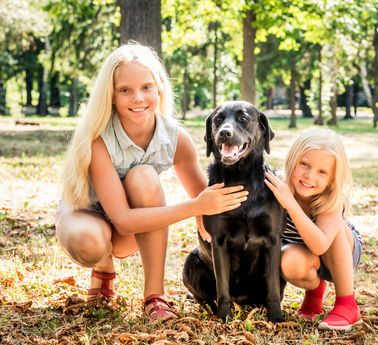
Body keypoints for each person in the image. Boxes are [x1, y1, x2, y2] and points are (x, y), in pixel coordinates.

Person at [55, 43, 248, 322]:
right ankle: (103, 265)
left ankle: (155, 296)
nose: (138, 98)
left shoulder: (175, 137)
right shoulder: (99, 138)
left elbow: (208, 200)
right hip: (87, 214)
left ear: (159, 88)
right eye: (125, 90)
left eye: (146, 87)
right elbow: (122, 219)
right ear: (110, 95)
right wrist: (194, 207)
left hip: (128, 231)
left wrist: (228, 223)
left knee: (143, 176)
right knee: (90, 242)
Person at [264, 128, 362, 331]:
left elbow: (320, 245)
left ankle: (347, 304)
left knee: (334, 230)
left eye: (322, 172)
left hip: (338, 255)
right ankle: (315, 291)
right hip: (302, 252)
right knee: (288, 260)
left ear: (332, 178)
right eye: (304, 164)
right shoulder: (277, 185)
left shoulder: (329, 198)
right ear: (292, 160)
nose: (309, 176)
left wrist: (290, 203)